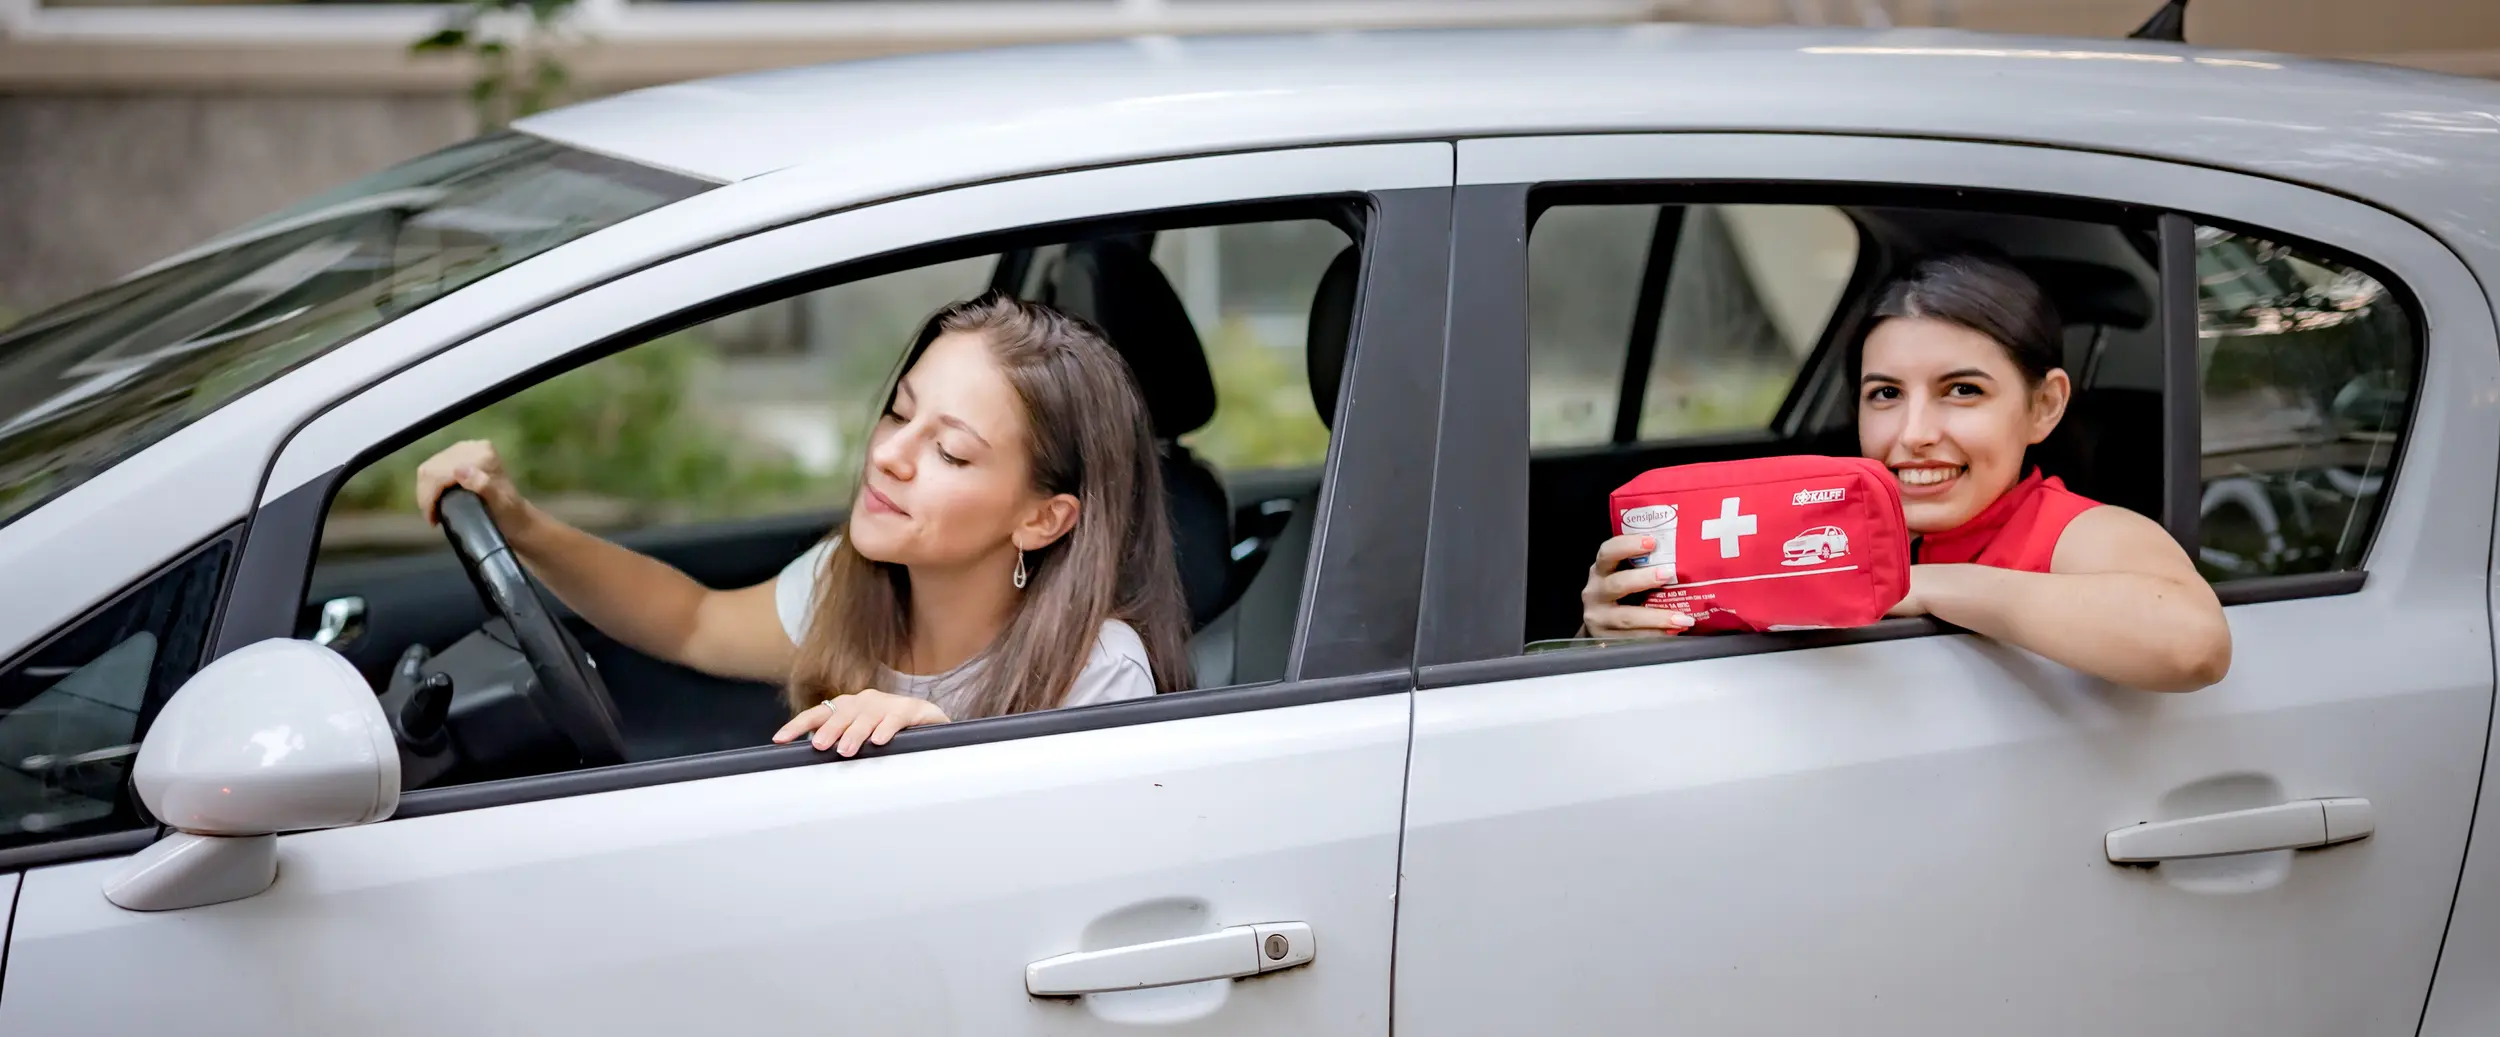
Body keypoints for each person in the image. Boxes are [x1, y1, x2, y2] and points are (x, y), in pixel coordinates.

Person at [413, 292, 1194, 755]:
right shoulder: (853, 581)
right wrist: (523, 524)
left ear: (1042, 518)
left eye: (951, 452)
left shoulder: (1099, 673)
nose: (890, 454)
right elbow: (690, 622)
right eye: (898, 413)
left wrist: (934, 739)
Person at [1580, 254, 2231, 692]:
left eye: (1963, 390)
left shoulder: (2076, 532)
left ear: (2044, 405)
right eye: (1885, 394)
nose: (1913, 434)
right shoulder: (1807, 526)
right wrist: (1608, 634)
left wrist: (1919, 584)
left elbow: (2193, 643)